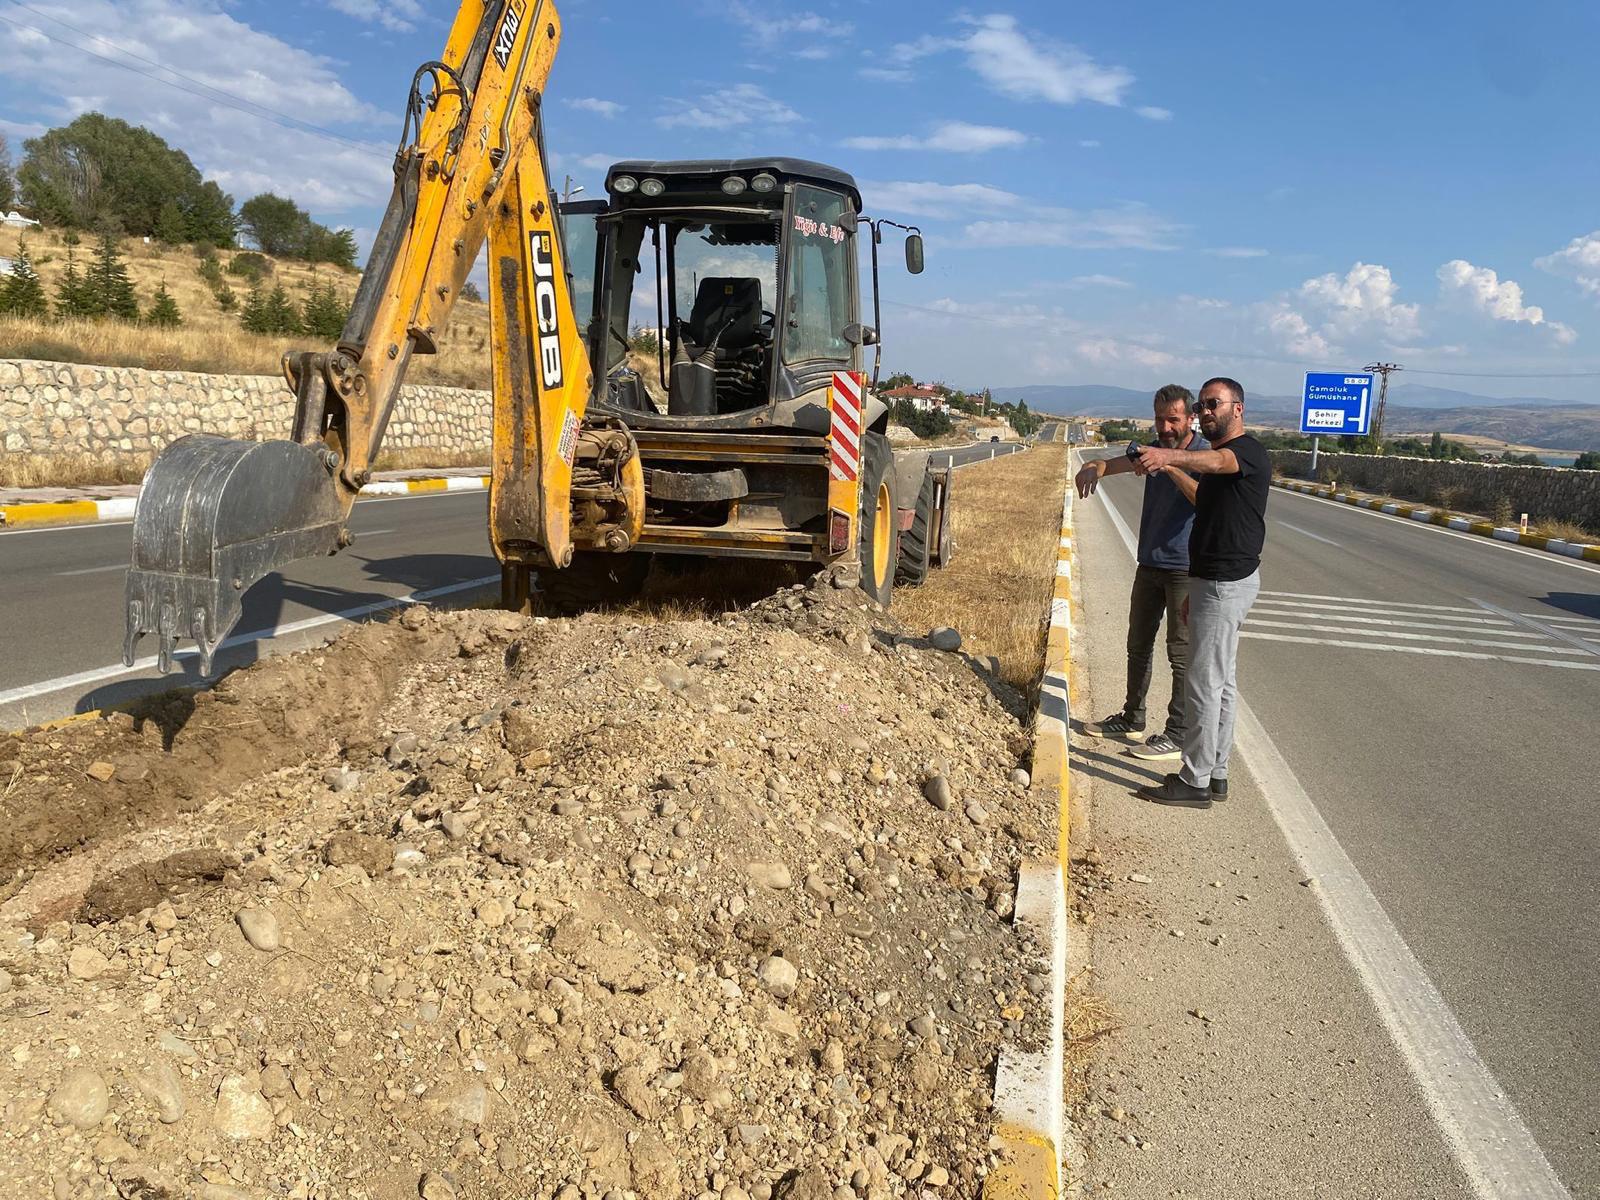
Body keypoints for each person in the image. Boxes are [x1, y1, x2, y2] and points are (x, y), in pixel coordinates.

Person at [1129, 376, 1269, 810]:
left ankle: (1194, 780)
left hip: (1225, 585)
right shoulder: (1222, 458)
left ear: (1238, 409)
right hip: (1214, 582)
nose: (1208, 411)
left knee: (1203, 683)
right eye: (1204, 405)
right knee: (1221, 682)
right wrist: (1197, 587)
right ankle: (1218, 771)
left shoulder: (1243, 453)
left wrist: (1167, 456)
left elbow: (1216, 462)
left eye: (1215, 404)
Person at [1075, 385, 1206, 760]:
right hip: (1149, 563)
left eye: (1173, 419)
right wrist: (1092, 468)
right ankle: (1132, 717)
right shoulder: (1150, 448)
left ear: (1189, 418)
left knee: (1179, 654)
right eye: (1160, 419)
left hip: (1184, 568)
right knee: (1138, 645)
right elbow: (1111, 464)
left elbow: (1203, 498)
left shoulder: (1202, 455)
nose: (1165, 427)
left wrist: (1168, 464)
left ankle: (1178, 733)